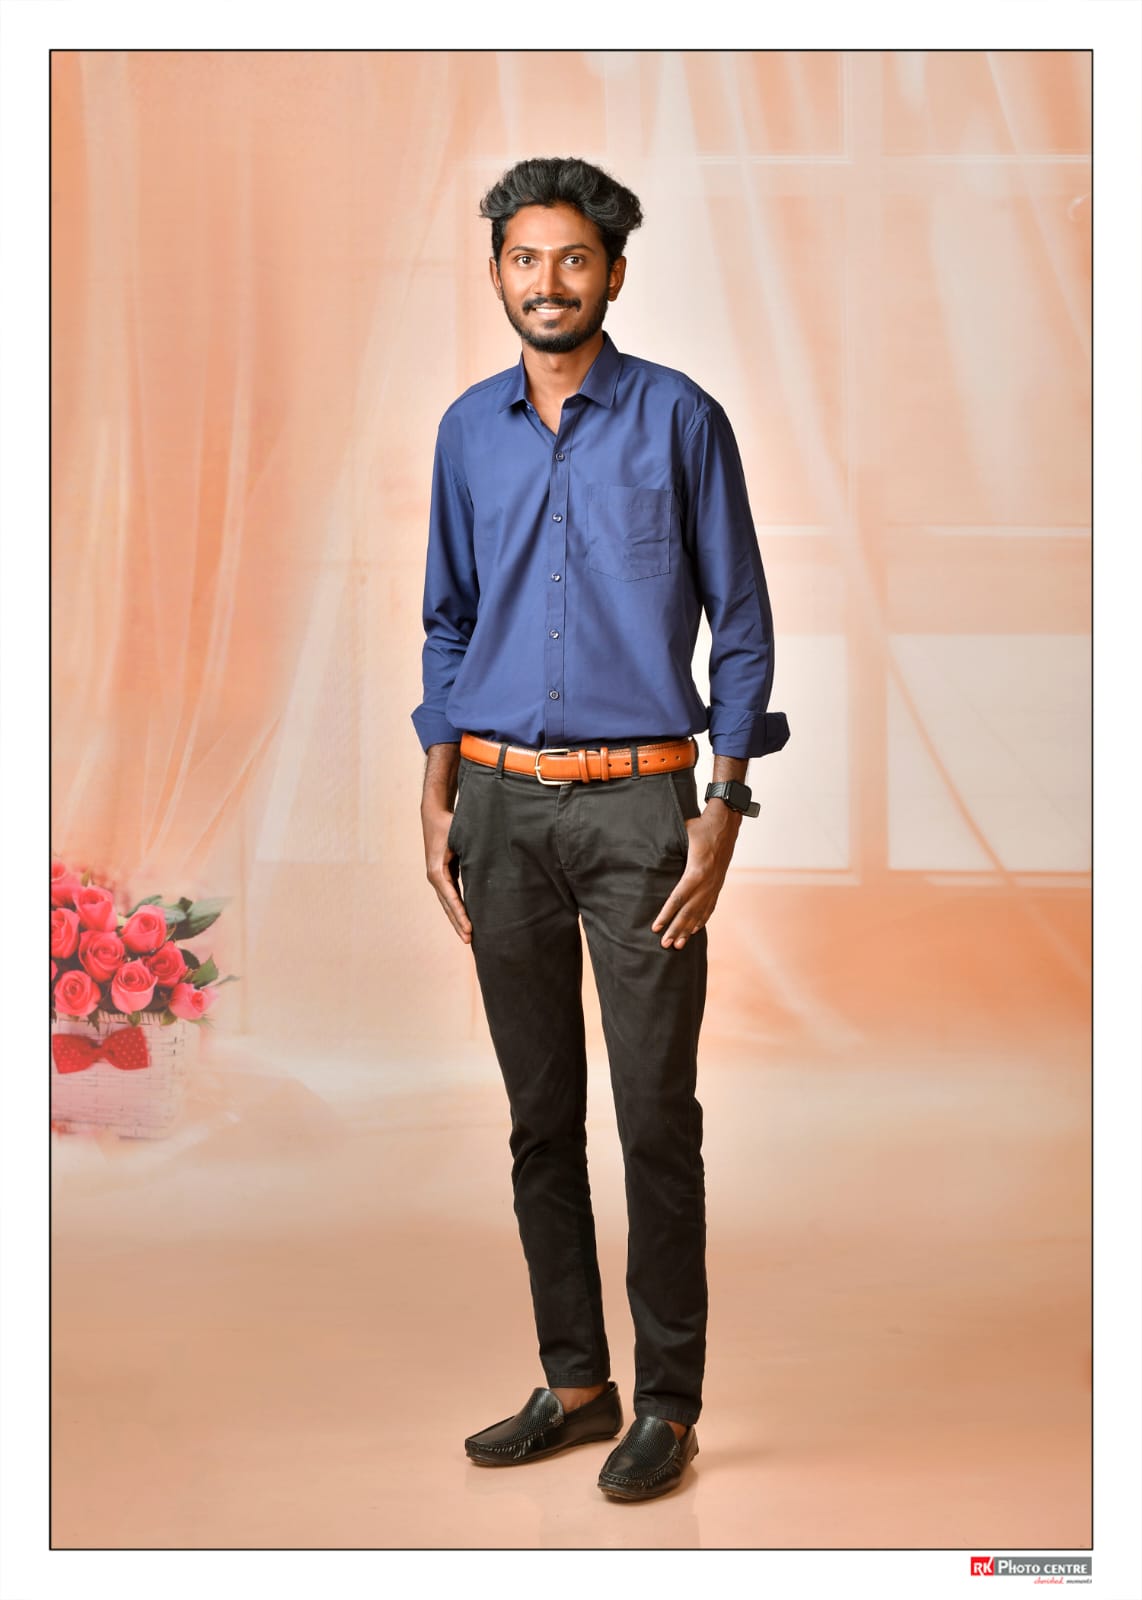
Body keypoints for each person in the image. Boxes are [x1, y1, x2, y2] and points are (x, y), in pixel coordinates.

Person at [412, 156, 789, 1502]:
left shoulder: (681, 418)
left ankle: (668, 1405)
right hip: (498, 808)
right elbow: (448, 619)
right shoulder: (467, 431)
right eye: (526, 259)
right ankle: (576, 1383)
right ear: (496, 274)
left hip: (642, 810)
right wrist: (436, 782)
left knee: (654, 1117)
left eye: (573, 258)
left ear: (614, 274)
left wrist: (724, 804)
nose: (549, 281)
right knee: (538, 1118)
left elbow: (741, 623)